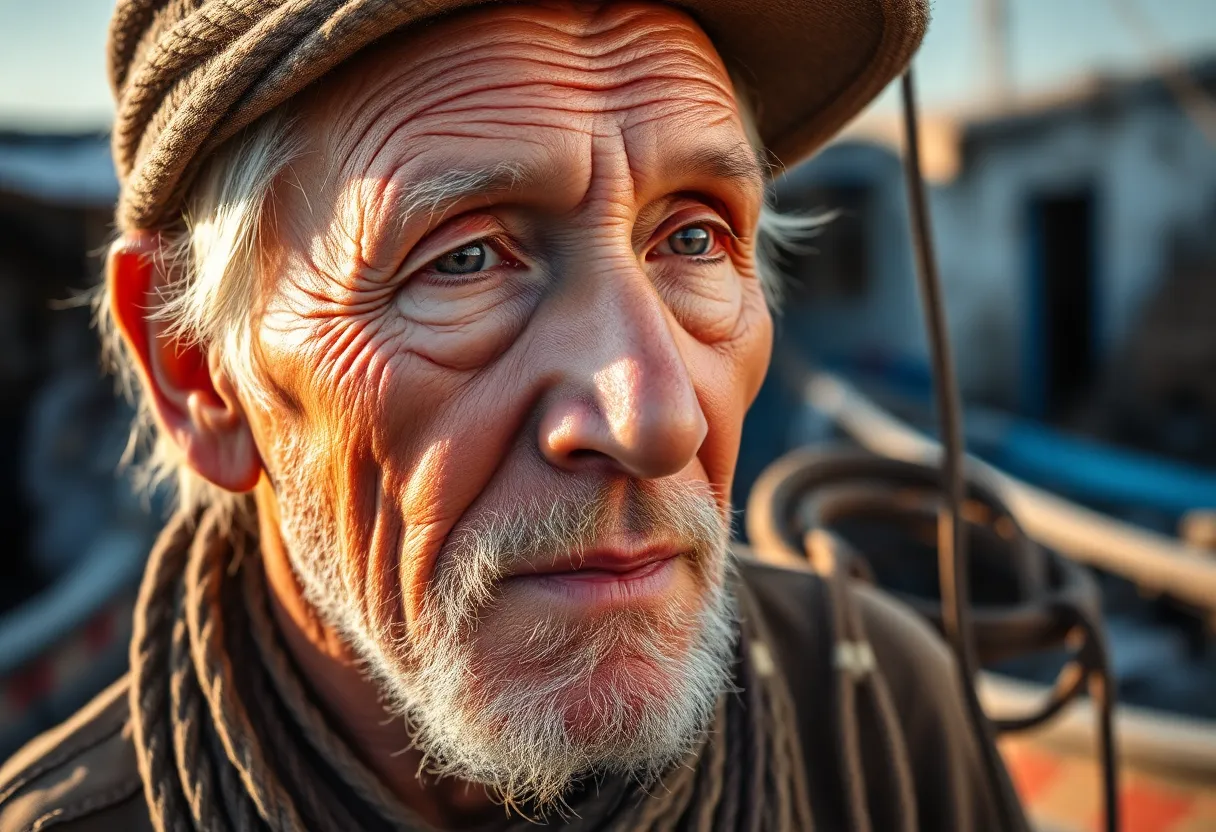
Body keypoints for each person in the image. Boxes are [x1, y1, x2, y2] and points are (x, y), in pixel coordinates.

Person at [0, 1, 1010, 829]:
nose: (658, 420)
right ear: (199, 373)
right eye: (465, 258)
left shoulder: (878, 716)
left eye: (694, 239)